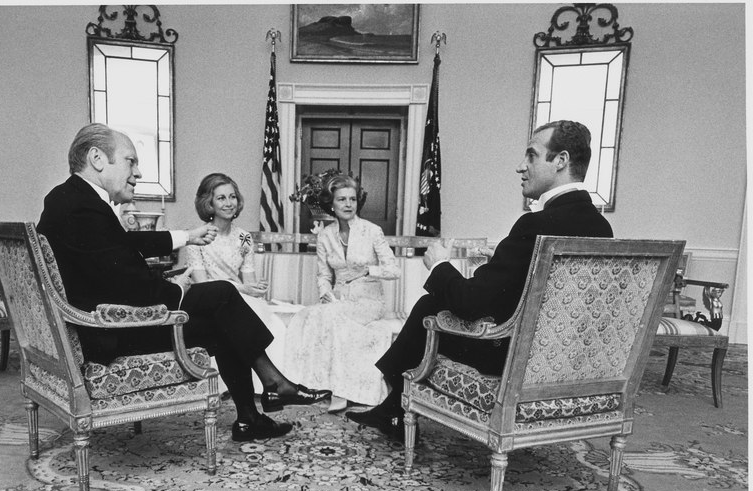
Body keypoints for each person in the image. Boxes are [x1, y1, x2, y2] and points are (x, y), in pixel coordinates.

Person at [37, 123, 331, 443]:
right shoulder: (83, 207)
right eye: (130, 161)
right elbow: (127, 285)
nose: (137, 171)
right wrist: (179, 288)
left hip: (98, 325)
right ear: (96, 158)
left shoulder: (67, 198)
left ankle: (252, 415)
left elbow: (117, 248)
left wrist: (184, 240)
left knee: (221, 316)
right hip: (110, 333)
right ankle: (273, 387)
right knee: (222, 293)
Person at [346, 120, 614, 439]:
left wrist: (439, 266)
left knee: (430, 307)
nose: (520, 166)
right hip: (566, 362)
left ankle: (394, 405)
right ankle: (392, 407)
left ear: (561, 161)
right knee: (433, 304)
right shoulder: (602, 229)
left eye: (531, 155)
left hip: (512, 359)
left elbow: (472, 304)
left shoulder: (536, 224)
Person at [281, 173, 400, 408]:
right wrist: (326, 293)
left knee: (329, 317)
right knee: (309, 314)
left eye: (352, 199)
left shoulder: (372, 231)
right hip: (339, 299)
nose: (348, 204)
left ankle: (341, 391)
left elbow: (394, 270)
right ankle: (309, 385)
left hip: (369, 301)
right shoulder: (325, 235)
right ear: (332, 204)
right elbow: (324, 275)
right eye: (342, 200)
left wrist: (369, 271)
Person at [184, 172, 287, 393]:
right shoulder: (198, 237)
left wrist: (256, 289)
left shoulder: (244, 238)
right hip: (212, 302)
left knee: (270, 321)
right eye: (221, 198)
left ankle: (266, 387)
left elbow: (249, 278)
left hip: (242, 297)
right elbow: (203, 286)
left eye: (232, 197)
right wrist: (242, 288)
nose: (229, 203)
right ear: (208, 203)